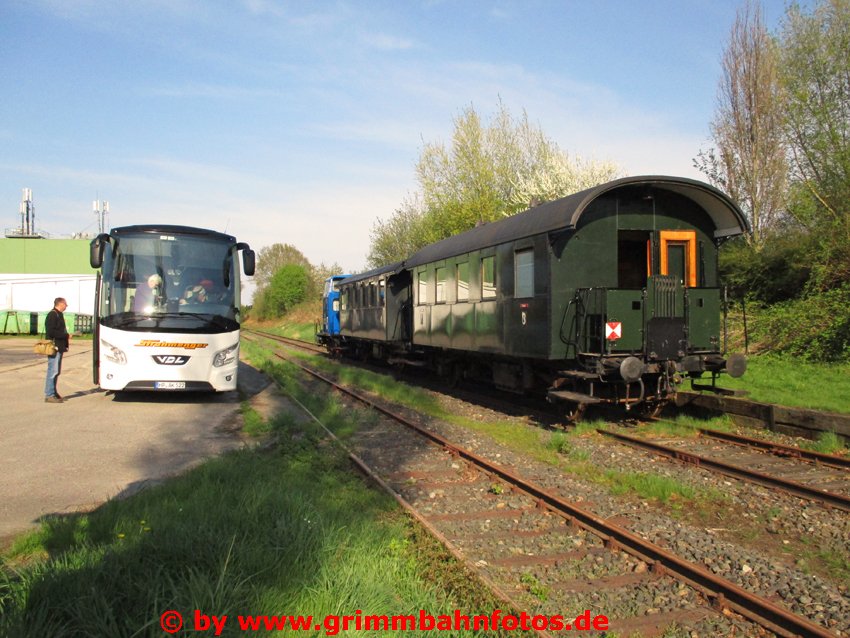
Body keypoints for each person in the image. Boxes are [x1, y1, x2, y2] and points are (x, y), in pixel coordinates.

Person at [44, 297, 71, 403]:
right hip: (54, 347)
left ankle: (54, 393)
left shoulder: (59, 314)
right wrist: (65, 335)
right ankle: (49, 394)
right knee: (53, 370)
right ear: (60, 304)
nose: (66, 306)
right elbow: (51, 332)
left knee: (56, 371)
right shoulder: (52, 315)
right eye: (65, 304)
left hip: (59, 347)